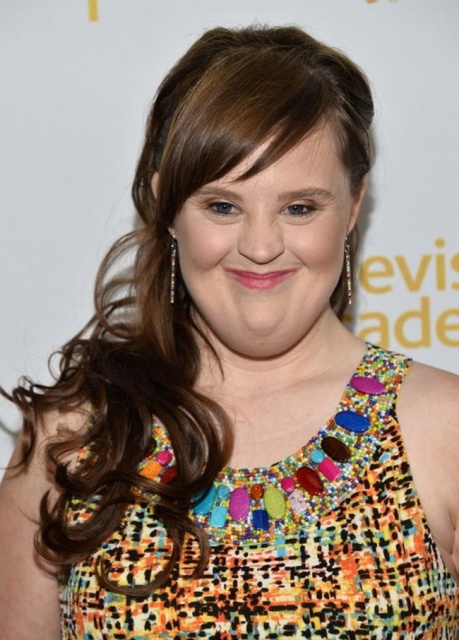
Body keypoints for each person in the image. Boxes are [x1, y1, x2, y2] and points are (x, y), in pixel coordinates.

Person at [0, 24, 458, 640]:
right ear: (167, 208)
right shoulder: (74, 436)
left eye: (299, 207)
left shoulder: (443, 429)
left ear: (353, 206)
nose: (261, 247)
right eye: (222, 206)